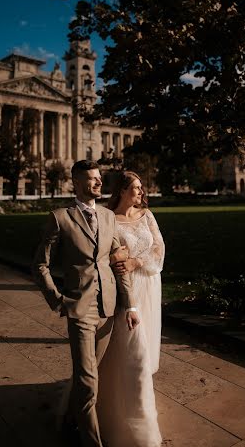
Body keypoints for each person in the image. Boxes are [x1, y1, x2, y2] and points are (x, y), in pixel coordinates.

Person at [32, 160, 139, 447]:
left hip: (108, 308)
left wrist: (129, 304)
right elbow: (40, 265)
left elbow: (119, 263)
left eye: (99, 178)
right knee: (88, 380)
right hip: (78, 309)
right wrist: (57, 300)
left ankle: (68, 422)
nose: (98, 183)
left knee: (88, 379)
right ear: (77, 183)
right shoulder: (60, 218)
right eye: (92, 179)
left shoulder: (107, 217)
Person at [97, 170, 165, 447]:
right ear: (122, 190)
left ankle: (140, 390)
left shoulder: (146, 215)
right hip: (125, 287)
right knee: (127, 343)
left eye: (141, 188)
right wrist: (118, 260)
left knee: (145, 340)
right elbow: (103, 253)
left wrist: (137, 262)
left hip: (148, 281)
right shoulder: (108, 218)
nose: (140, 192)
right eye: (136, 188)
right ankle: (124, 403)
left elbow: (159, 247)